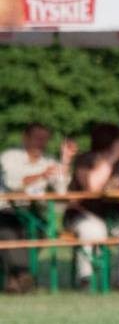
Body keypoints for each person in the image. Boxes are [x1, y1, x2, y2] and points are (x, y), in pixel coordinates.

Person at [64, 124, 119, 289]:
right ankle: (87, 279)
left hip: (115, 216)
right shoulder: (86, 160)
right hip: (83, 213)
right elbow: (93, 186)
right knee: (93, 231)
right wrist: (112, 158)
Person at [1, 123, 75, 293]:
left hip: (33, 212)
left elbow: (61, 191)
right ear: (25, 138)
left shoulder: (49, 161)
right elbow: (13, 184)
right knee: (8, 232)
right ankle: (23, 275)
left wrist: (65, 161)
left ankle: (16, 280)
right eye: (37, 138)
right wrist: (42, 175)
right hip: (6, 209)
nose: (41, 143)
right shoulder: (10, 157)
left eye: (44, 139)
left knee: (40, 231)